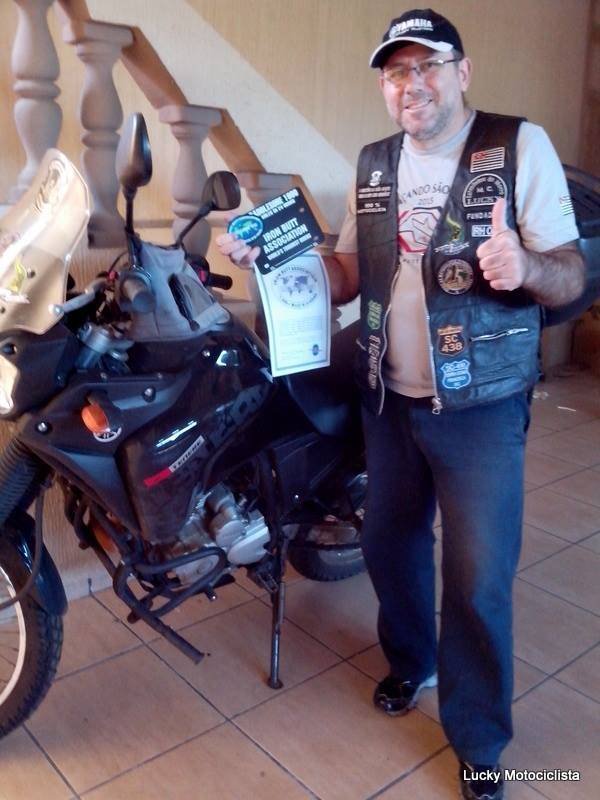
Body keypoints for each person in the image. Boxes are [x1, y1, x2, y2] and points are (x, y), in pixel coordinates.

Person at [216, 9, 584, 800]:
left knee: (478, 577)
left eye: (427, 66)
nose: (410, 84)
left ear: (462, 73)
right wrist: (271, 258)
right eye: (395, 71)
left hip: (481, 407)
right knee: (389, 545)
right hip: (389, 396)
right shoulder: (376, 163)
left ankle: (478, 739)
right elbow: (349, 272)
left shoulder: (518, 146)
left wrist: (525, 266)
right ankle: (413, 661)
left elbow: (570, 274)